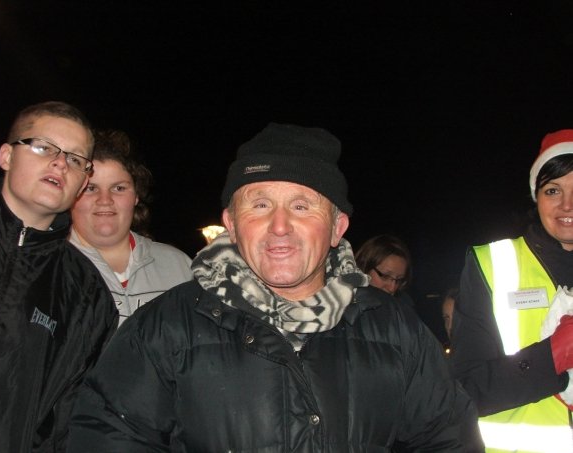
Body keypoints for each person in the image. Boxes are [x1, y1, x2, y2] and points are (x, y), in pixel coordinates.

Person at [68, 122, 482, 452]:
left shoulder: (393, 328)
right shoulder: (164, 328)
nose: (279, 226)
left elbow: (448, 439)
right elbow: (108, 436)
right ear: (231, 223)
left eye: (302, 206)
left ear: (337, 227)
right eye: (260, 204)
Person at [0, 101, 118, 452]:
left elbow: (67, 423)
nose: (60, 163)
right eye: (43, 147)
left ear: (82, 183)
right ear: (7, 156)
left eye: (76, 159)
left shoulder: (88, 295)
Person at [451, 129, 573, 452]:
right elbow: (462, 392)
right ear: (536, 197)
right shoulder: (492, 264)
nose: (567, 205)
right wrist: (550, 358)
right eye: (553, 190)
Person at [70, 129, 193, 327]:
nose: (105, 200)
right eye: (90, 188)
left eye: (118, 188)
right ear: (71, 194)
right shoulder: (51, 267)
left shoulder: (178, 266)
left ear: (136, 196)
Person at [355, 233, 416, 307]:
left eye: (399, 280)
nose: (392, 288)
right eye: (385, 276)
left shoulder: (404, 306)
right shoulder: (344, 306)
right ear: (364, 267)